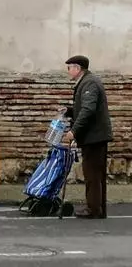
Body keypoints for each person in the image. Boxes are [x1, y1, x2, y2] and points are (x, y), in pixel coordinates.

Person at [62, 55, 113, 219]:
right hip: (95, 136)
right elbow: (85, 108)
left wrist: (73, 132)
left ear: (77, 68)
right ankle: (98, 208)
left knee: (92, 174)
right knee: (95, 174)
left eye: (69, 67)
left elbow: (88, 110)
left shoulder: (89, 83)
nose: (68, 71)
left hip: (94, 137)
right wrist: (69, 110)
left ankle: (93, 209)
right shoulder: (86, 82)